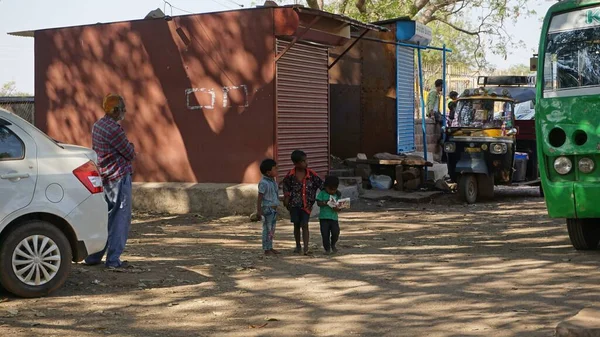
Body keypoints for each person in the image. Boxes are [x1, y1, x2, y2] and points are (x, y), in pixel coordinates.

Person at [84, 94, 135, 269]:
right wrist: (132, 147)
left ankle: (93, 257)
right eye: (122, 109)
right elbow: (129, 153)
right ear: (115, 111)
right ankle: (113, 260)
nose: (125, 112)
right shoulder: (114, 129)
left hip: (104, 177)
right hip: (119, 177)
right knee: (120, 219)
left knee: (104, 219)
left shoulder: (97, 126)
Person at [282, 150, 324, 255]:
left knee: (305, 224)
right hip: (294, 205)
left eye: (306, 160)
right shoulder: (290, 175)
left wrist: (331, 192)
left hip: (307, 205)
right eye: (304, 161)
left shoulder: (312, 174)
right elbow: (286, 187)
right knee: (296, 225)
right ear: (296, 163)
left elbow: (321, 185)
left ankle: (306, 248)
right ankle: (297, 246)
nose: (307, 163)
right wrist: (286, 198)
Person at [257, 159, 280, 256]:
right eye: (275, 169)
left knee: (272, 229)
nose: (277, 171)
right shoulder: (263, 183)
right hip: (267, 209)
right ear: (268, 172)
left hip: (274, 209)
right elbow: (260, 197)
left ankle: (270, 247)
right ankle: (266, 249)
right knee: (267, 229)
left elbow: (275, 195)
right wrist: (259, 210)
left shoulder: (273, 182)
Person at [316, 176, 342, 255]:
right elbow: (318, 203)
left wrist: (338, 208)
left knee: (336, 232)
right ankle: (327, 248)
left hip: (334, 218)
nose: (332, 191)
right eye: (330, 189)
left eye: (334, 189)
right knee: (325, 234)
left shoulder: (337, 195)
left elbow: (339, 207)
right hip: (324, 218)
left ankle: (333, 244)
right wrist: (325, 202)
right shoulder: (322, 193)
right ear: (325, 187)